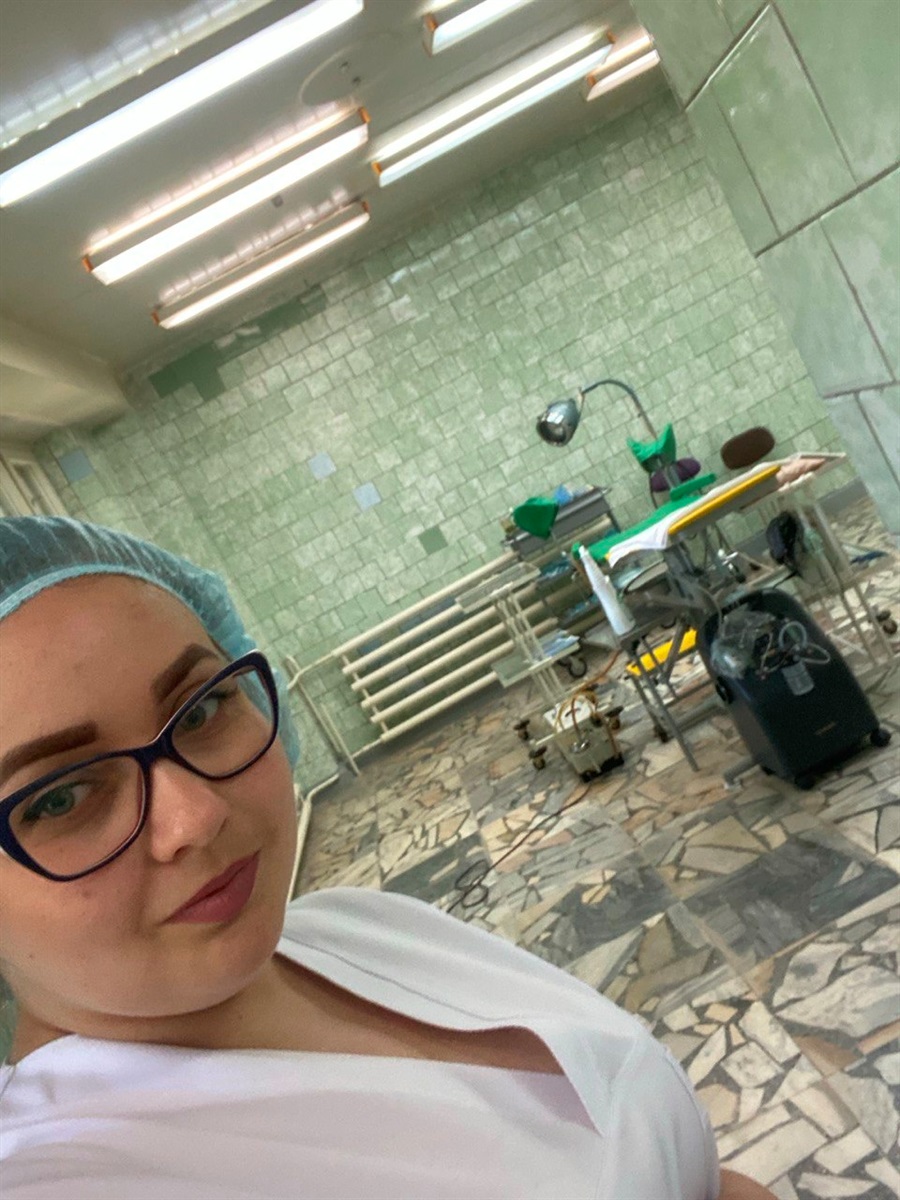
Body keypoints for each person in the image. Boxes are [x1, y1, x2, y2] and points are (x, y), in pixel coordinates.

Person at [0, 516, 775, 1200]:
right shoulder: (70, 1174)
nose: (196, 816)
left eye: (202, 708)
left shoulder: (360, 926)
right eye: (59, 799)